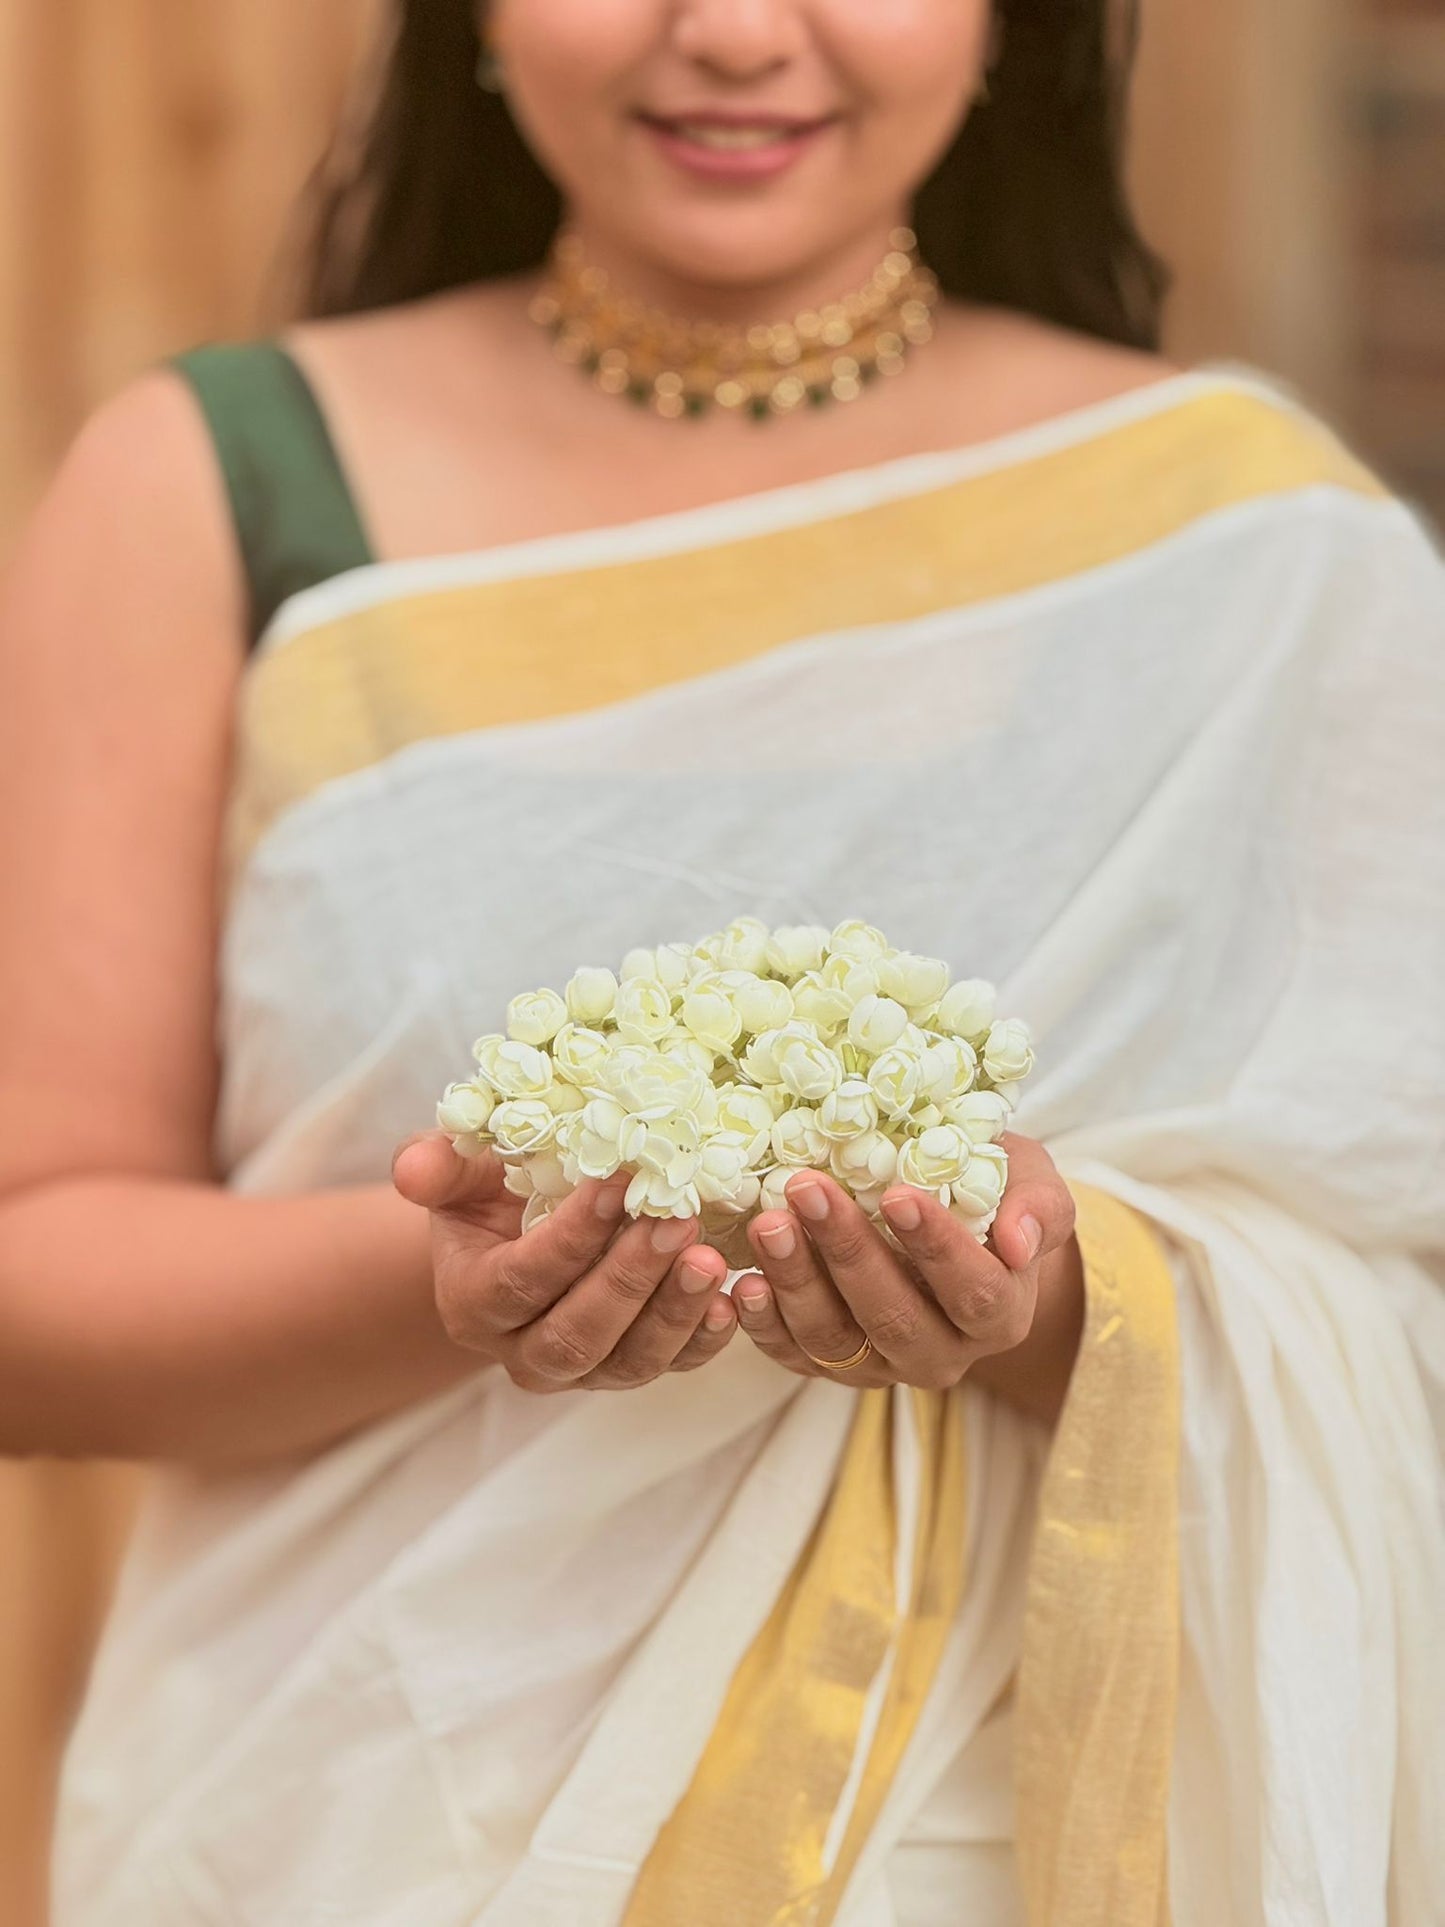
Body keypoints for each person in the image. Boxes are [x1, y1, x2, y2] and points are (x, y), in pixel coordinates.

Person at [0, 0, 1439, 1920]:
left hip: (1019, 1828)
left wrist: (1038, 1302)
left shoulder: (1253, 540)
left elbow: (1385, 1253)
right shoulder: (222, 481)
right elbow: (35, 1274)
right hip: (374, 1816)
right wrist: (456, 1275)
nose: (737, 33)